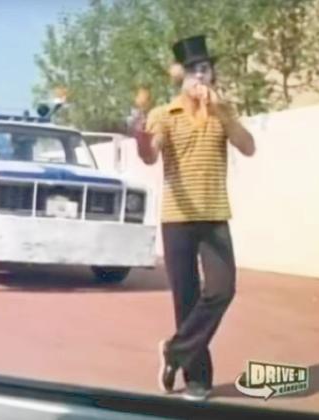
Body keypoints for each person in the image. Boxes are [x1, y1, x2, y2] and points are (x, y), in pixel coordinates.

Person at [131, 35, 256, 401]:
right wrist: (140, 137)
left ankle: (174, 351)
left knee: (222, 289)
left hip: (214, 216)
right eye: (193, 71)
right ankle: (198, 378)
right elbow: (150, 155)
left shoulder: (223, 112)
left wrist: (222, 112)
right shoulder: (164, 115)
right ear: (181, 78)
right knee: (186, 299)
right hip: (178, 219)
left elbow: (248, 147)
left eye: (206, 69)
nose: (201, 76)